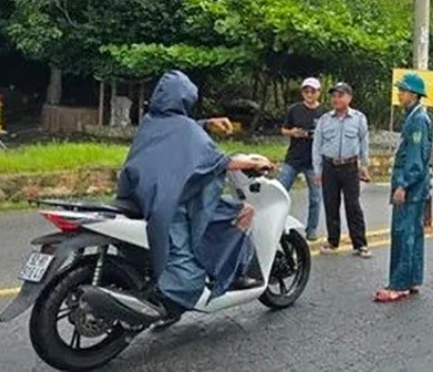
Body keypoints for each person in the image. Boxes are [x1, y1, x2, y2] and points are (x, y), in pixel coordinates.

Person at [115, 70, 272, 326]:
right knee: (241, 213)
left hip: (142, 197)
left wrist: (207, 123)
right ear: (185, 99)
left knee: (224, 212)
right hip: (170, 203)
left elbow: (182, 136)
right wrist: (253, 160)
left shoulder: (152, 121)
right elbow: (216, 161)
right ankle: (173, 300)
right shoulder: (185, 129)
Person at [374, 73, 433, 303]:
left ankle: (398, 284)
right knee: (413, 234)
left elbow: (416, 158)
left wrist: (403, 185)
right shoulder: (414, 117)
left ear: (415, 95)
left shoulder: (418, 120)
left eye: (404, 91)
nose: (400, 94)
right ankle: (412, 279)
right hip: (415, 187)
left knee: (403, 234)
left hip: (411, 187)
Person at [312, 81, 372, 257]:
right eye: (334, 95)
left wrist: (364, 165)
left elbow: (363, 143)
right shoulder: (324, 120)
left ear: (349, 97)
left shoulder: (359, 118)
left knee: (353, 205)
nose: (336, 99)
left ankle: (360, 244)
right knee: (331, 204)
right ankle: (332, 241)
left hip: (350, 166)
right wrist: (318, 170)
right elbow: (317, 146)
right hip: (329, 166)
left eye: (340, 95)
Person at [278, 77, 325, 242]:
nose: (309, 94)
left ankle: (311, 229)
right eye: (306, 91)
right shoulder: (294, 109)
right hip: (293, 158)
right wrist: (293, 132)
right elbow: (283, 129)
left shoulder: (324, 113)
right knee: (280, 191)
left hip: (313, 161)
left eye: (313, 91)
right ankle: (277, 223)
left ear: (319, 93)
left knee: (315, 197)